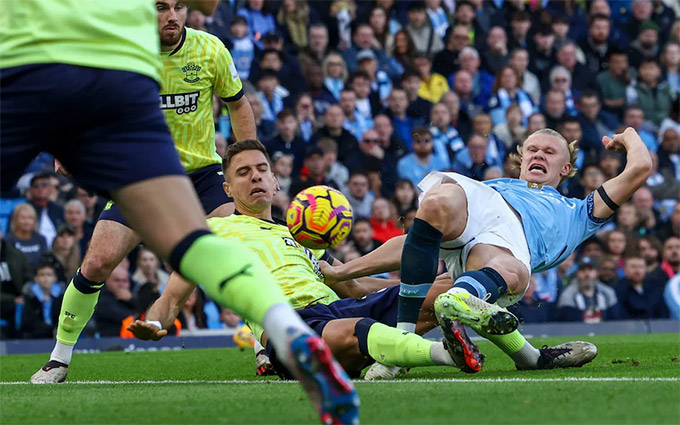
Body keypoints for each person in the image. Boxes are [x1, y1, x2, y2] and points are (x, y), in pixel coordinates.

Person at [3, 1, 357, 420]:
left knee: (236, 242)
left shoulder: (207, 50)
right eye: (160, 8)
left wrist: (244, 161)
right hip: (131, 160)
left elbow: (238, 103)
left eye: (178, 7)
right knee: (102, 260)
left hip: (195, 173)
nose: (171, 15)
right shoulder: (120, 41)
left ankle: (272, 340)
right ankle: (60, 358)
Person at [131, 139, 482, 380]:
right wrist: (156, 325)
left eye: (261, 169)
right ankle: (445, 354)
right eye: (242, 172)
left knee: (452, 288)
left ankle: (523, 354)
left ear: (275, 182)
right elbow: (172, 297)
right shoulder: (214, 231)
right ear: (227, 189)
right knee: (355, 331)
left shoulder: (304, 235)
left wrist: (417, 285)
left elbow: (353, 286)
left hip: (338, 309)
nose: (254, 176)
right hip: (290, 325)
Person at [323, 127, 651, 376]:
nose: (538, 155)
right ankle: (404, 342)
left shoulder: (580, 211)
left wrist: (631, 136)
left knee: (507, 274)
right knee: (436, 201)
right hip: (480, 212)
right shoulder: (490, 187)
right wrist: (344, 270)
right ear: (521, 159)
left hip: (503, 248)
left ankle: (454, 316)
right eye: (532, 149)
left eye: (550, 152)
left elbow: (639, 168)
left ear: (566, 169)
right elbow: (412, 244)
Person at [556, 256, 621, 322]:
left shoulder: (608, 292)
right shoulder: (568, 294)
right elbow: (568, 321)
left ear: (597, 272)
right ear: (577, 273)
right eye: (583, 270)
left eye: (590, 270)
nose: (587, 274)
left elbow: (615, 319)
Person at [4, 203, 48, 270]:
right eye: (23, 218)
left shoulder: (41, 239)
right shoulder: (8, 240)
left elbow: (45, 262)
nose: (27, 221)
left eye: (30, 218)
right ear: (15, 220)